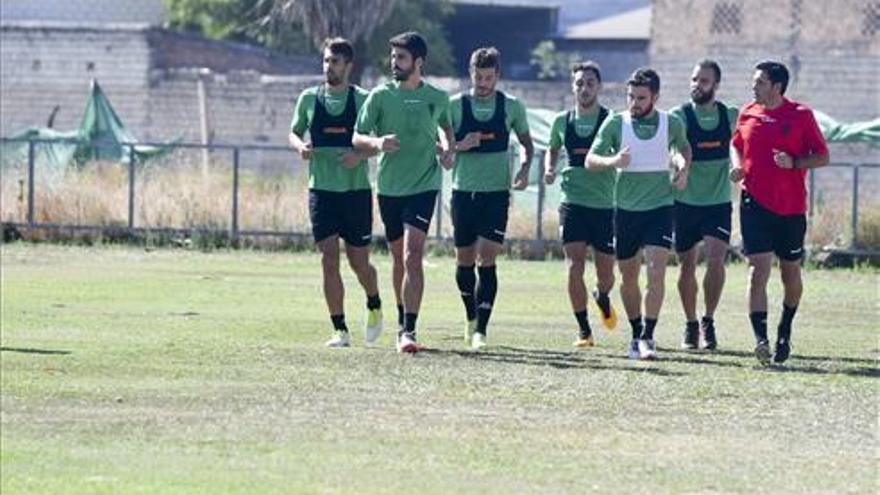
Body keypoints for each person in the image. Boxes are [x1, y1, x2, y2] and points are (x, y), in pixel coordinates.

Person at [353, 31, 455, 353]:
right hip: (389, 187)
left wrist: (449, 149)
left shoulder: (437, 98)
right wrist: (377, 143)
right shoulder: (380, 96)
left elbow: (448, 127)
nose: (394, 63)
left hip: (424, 185)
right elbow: (357, 137)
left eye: (401, 57)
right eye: (393, 57)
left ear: (418, 62)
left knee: (413, 255)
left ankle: (409, 330)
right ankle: (401, 320)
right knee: (398, 257)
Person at [587, 68, 692, 360]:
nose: (634, 102)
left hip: (660, 208)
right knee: (629, 277)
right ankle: (635, 333)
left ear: (655, 97)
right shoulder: (615, 123)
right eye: (630, 96)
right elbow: (590, 160)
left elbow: (681, 147)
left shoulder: (671, 122)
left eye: (641, 97)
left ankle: (648, 335)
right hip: (625, 212)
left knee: (656, 271)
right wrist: (614, 160)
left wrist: (683, 168)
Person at [730, 60, 829, 365]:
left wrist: (795, 162)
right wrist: (736, 164)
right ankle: (761, 339)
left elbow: (822, 156)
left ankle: (784, 330)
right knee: (756, 270)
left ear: (777, 86)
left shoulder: (801, 115)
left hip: (790, 208)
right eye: (754, 81)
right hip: (753, 204)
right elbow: (735, 144)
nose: (754, 86)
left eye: (760, 82)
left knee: (790, 273)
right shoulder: (747, 112)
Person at [288, 37, 383, 348]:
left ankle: (373, 300)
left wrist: (361, 155)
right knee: (329, 260)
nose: (329, 67)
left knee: (359, 263)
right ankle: (339, 329)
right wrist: (300, 146)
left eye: (335, 62)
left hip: (355, 193)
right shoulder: (309, 98)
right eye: (326, 61)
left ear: (348, 66)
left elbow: (379, 141)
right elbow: (293, 131)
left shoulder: (362, 100)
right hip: (321, 191)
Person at [449, 47, 533, 350]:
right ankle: (470, 315)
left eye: (488, 77)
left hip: (496, 194)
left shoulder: (511, 107)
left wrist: (524, 169)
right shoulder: (455, 106)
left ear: (497, 75)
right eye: (478, 77)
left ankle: (481, 330)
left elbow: (527, 144)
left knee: (487, 256)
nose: (483, 82)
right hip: (462, 193)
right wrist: (461, 144)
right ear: (470, 74)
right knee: (464, 260)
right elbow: (440, 147)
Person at [544, 61, 618, 348]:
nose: (584, 88)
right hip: (572, 202)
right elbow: (552, 149)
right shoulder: (562, 121)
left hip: (603, 205)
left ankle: (602, 296)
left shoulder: (611, 120)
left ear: (598, 87)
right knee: (574, 265)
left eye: (589, 83)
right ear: (572, 86)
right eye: (579, 83)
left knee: (606, 274)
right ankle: (584, 329)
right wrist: (550, 168)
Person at [670, 59, 739, 351]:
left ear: (716, 85)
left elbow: (745, 142)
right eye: (694, 79)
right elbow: (674, 149)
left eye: (704, 81)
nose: (697, 85)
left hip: (717, 202)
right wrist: (680, 168)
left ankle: (708, 319)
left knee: (715, 259)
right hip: (684, 201)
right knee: (686, 265)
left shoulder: (730, 114)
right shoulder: (680, 115)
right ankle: (690, 324)